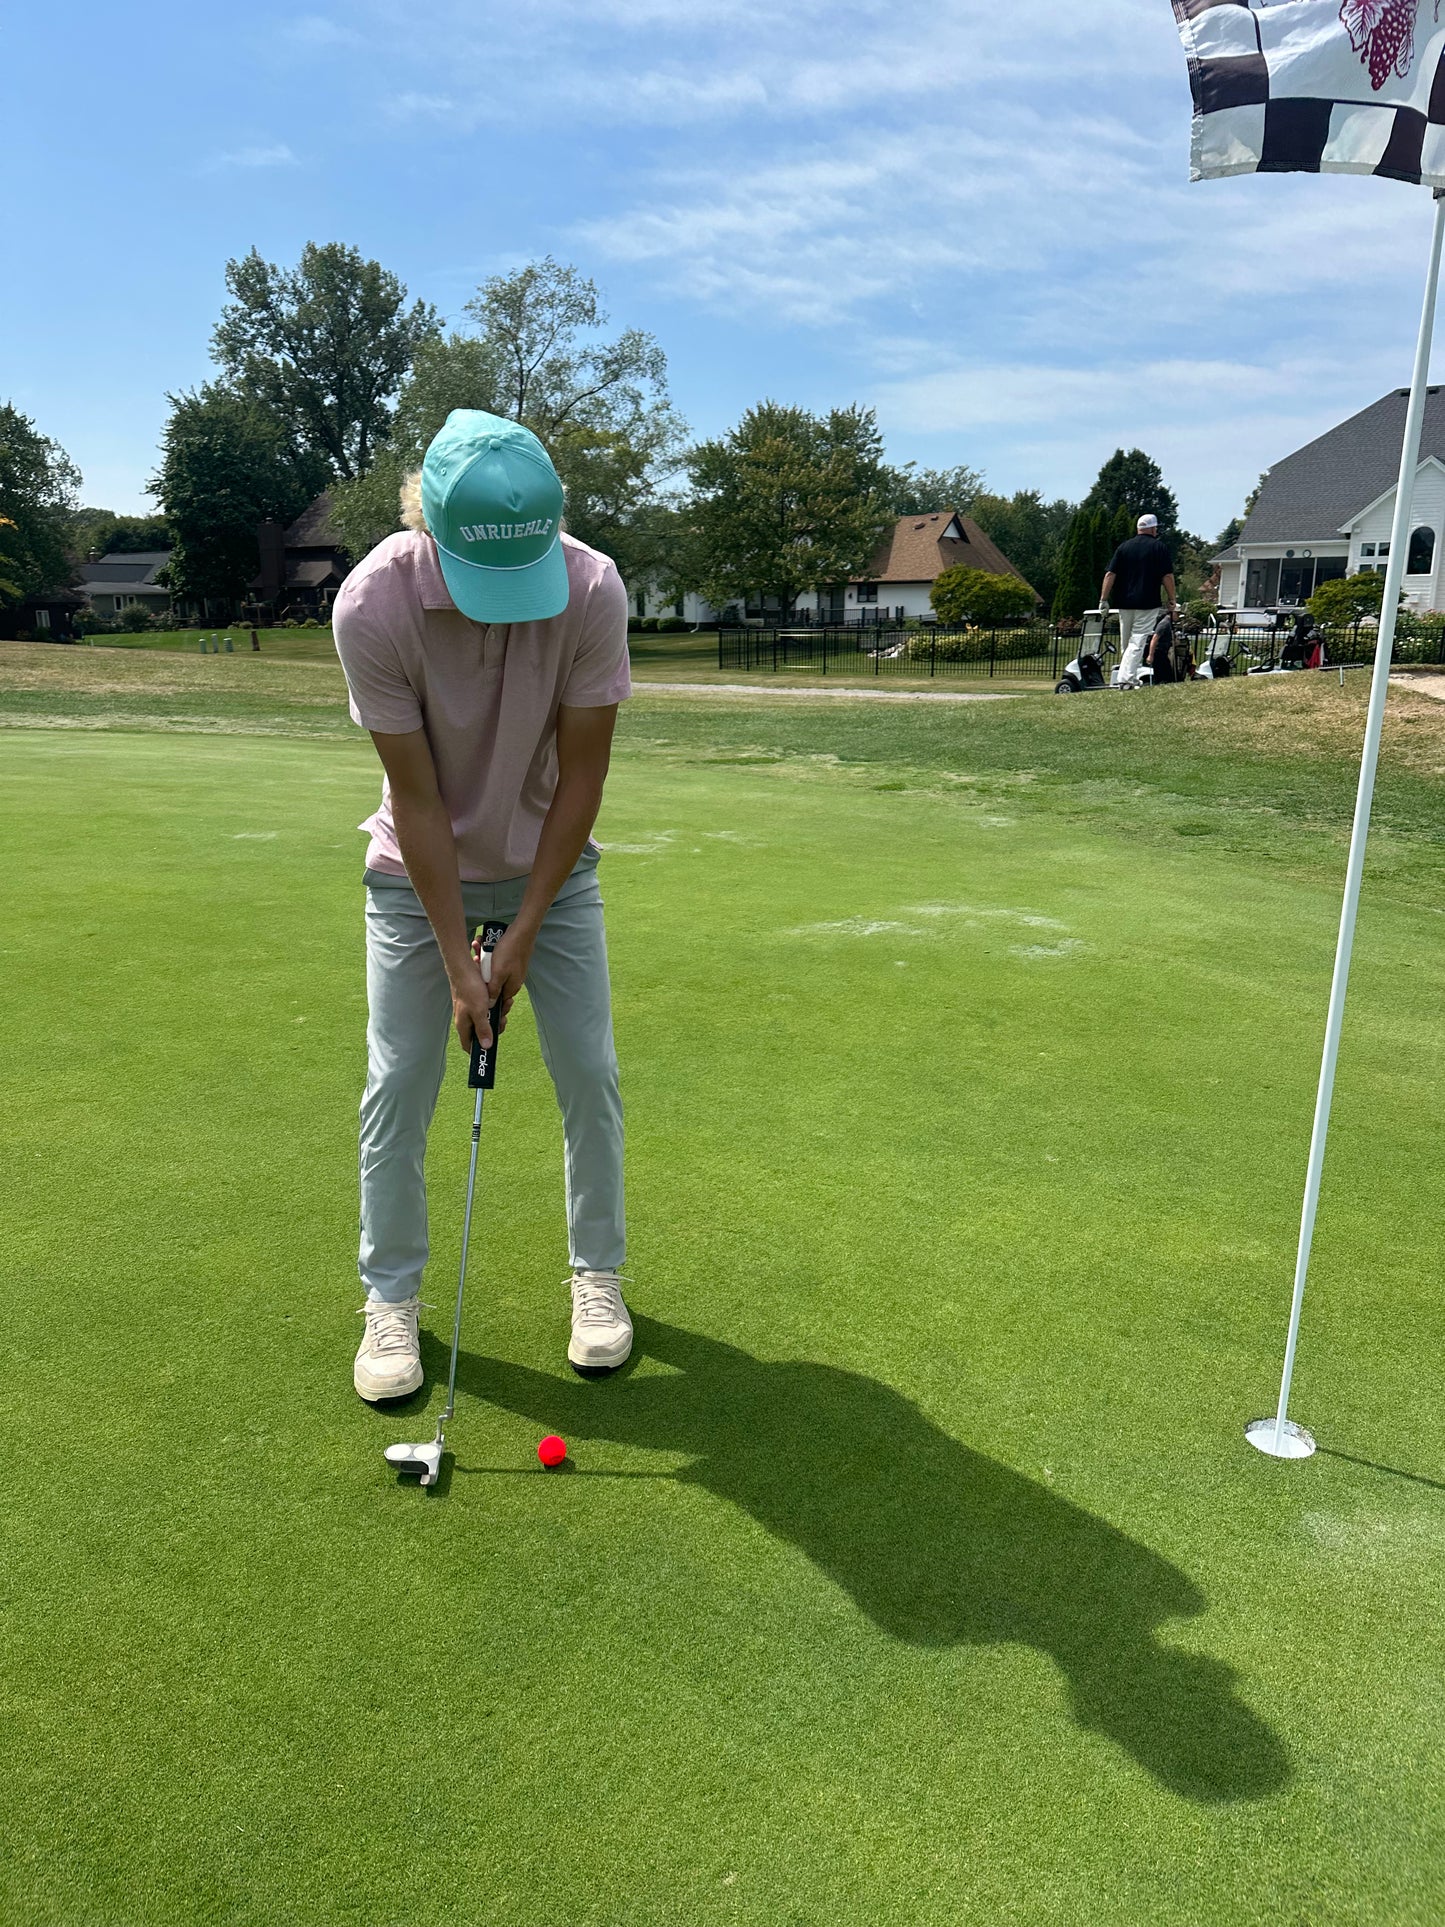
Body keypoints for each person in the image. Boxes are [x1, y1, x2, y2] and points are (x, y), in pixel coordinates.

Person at [333, 409, 634, 1404]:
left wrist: (524, 927)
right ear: (429, 527)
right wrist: (462, 963)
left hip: (553, 857)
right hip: (416, 870)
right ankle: (391, 1300)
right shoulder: (371, 603)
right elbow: (417, 800)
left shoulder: (589, 587)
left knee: (587, 1069)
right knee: (400, 1080)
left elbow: (581, 779)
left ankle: (597, 1277)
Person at [1100, 514, 1178, 689]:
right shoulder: (1159, 548)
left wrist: (1103, 600)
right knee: (1137, 641)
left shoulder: (1123, 547)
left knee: (1127, 643)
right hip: (1147, 602)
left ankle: (1130, 677)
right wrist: (1172, 599)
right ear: (1152, 529)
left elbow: (1110, 574)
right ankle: (1125, 679)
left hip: (1123, 602)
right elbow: (1167, 576)